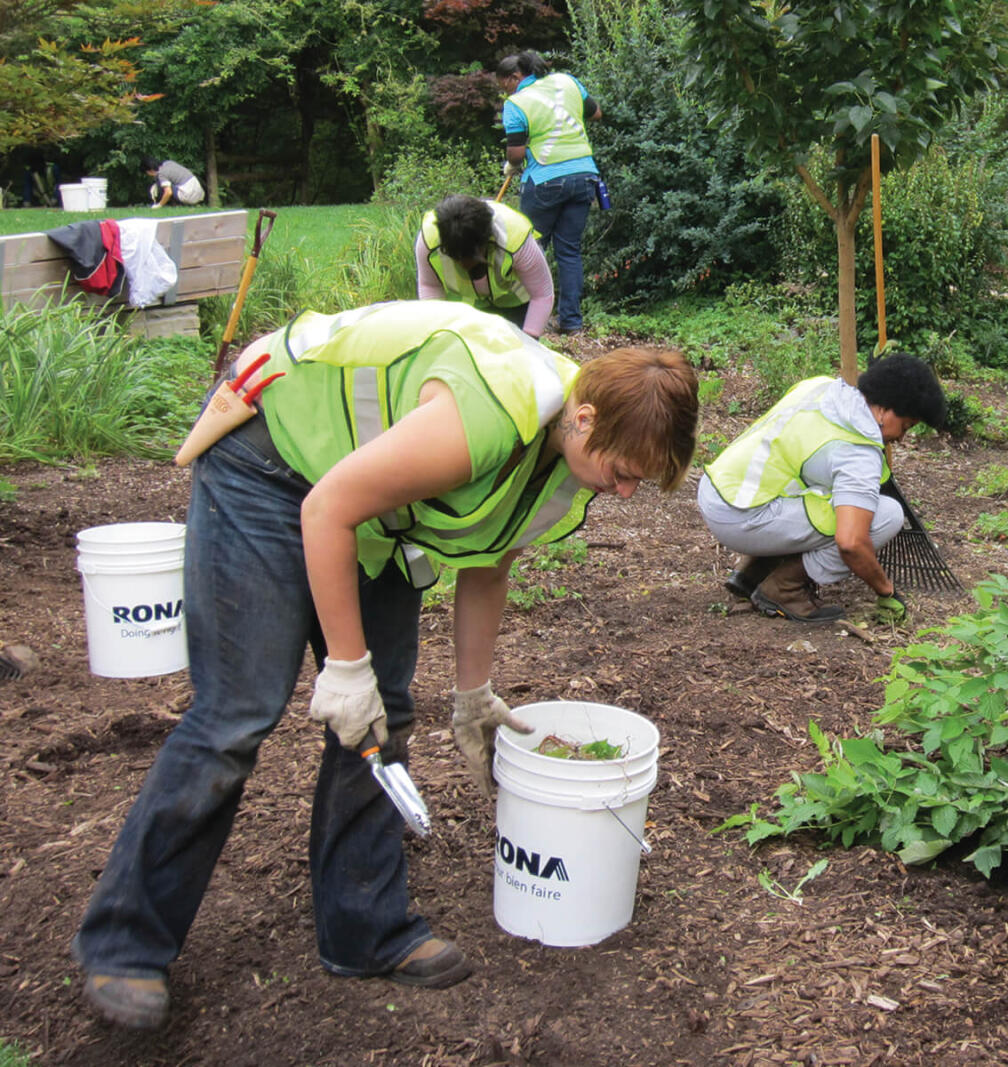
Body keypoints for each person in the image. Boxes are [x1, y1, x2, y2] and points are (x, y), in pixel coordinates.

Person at [70, 301, 698, 1030]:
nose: (624, 493)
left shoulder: (566, 466)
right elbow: (328, 508)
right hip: (273, 466)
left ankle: (361, 927)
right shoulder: (489, 416)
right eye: (623, 473)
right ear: (584, 418)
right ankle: (124, 941)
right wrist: (344, 666)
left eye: (639, 484)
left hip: (372, 507)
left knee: (386, 713)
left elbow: (489, 560)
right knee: (238, 713)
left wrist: (473, 692)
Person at [697, 353, 946, 624]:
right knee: (886, 515)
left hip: (718, 489)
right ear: (885, 410)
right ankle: (783, 589)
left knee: (822, 490)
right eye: (906, 426)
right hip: (741, 516)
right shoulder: (858, 452)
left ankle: (753, 571)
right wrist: (886, 590)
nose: (901, 438)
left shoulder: (823, 388)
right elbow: (851, 543)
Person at [496, 50, 602, 336]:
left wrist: (511, 165)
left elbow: (516, 154)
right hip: (584, 176)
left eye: (505, 85)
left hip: (544, 179)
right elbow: (596, 113)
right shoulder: (568, 82)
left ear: (516, 77)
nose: (506, 91)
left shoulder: (516, 103)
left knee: (529, 249)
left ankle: (527, 322)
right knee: (569, 251)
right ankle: (571, 322)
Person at [416, 194, 554, 338]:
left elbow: (542, 294)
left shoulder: (515, 236)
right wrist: (439, 333)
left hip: (515, 302)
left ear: (487, 240)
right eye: (456, 258)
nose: (464, 265)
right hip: (467, 307)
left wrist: (529, 340)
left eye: (471, 258)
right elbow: (430, 286)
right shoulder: (429, 240)